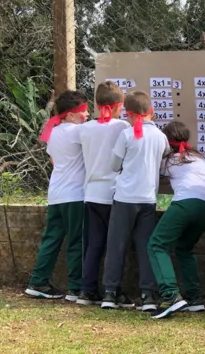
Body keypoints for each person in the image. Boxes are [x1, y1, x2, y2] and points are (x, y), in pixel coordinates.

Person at [100, 90, 169, 311]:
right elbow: (165, 156)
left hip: (124, 198)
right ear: (152, 112)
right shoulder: (161, 136)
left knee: (116, 245)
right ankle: (147, 295)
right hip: (148, 198)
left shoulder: (127, 135)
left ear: (128, 114)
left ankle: (110, 293)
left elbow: (114, 165)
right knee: (146, 246)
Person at [147, 121, 205, 319]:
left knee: (156, 245)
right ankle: (195, 299)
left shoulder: (169, 160)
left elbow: (149, 169)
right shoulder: (199, 157)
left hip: (186, 202)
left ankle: (170, 295)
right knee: (184, 248)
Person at [25, 90, 89, 301]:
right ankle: (75, 287)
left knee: (51, 239)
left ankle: (38, 281)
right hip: (75, 194)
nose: (87, 115)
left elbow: (54, 161)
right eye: (83, 111)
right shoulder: (80, 132)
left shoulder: (54, 131)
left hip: (56, 194)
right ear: (70, 115)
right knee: (76, 240)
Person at [75, 81, 130, 306]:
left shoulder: (84, 128)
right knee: (115, 245)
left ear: (97, 105)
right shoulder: (123, 127)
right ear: (119, 106)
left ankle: (87, 290)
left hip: (91, 192)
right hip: (114, 193)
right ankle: (113, 290)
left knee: (94, 244)